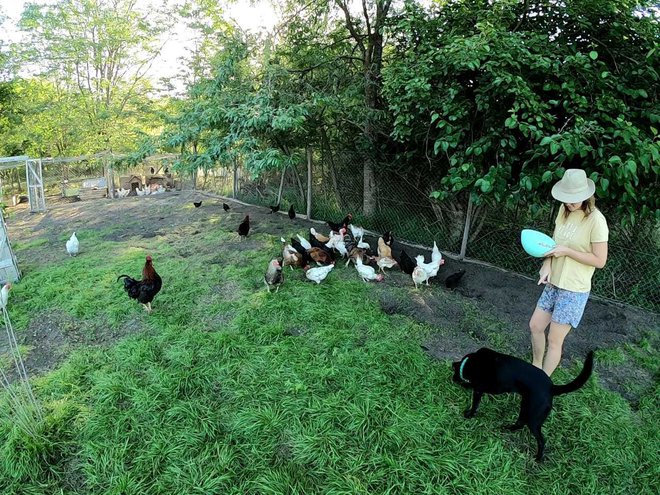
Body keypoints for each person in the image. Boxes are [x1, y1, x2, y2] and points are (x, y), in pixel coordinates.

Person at [529, 169, 609, 376]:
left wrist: (567, 252)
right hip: (554, 281)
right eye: (565, 199)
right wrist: (547, 264)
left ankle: (542, 381)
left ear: (586, 196)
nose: (568, 203)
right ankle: (536, 367)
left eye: (573, 200)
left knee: (555, 340)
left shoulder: (596, 221)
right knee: (535, 326)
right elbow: (554, 244)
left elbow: (600, 260)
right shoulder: (563, 211)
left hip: (574, 289)